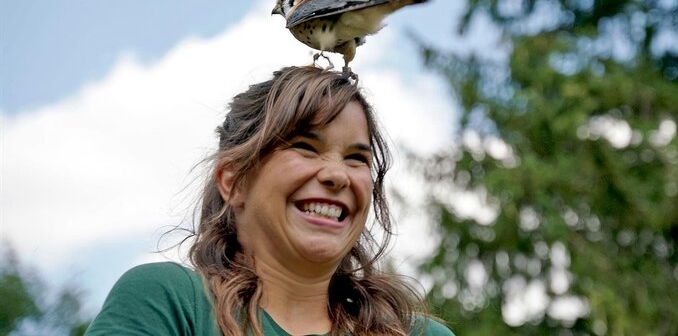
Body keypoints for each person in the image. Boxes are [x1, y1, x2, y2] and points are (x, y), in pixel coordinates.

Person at [85, 66, 454, 336]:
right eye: (305, 148)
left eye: (357, 158)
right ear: (234, 182)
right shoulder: (169, 302)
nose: (337, 175)